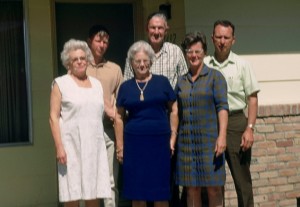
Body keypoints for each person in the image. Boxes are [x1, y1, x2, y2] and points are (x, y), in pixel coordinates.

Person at [114, 40, 178, 207]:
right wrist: (120, 146)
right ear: (131, 64)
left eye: (145, 61)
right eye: (137, 61)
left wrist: (173, 137)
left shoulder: (162, 82)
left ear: (151, 61)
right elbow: (118, 117)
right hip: (134, 145)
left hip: (159, 144)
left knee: (160, 192)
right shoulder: (126, 87)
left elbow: (174, 110)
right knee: (138, 193)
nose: (142, 65)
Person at [204, 20, 260, 207]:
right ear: (212, 38)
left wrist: (250, 128)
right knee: (212, 181)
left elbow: (252, 98)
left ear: (233, 40)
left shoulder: (243, 65)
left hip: (236, 123)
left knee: (242, 180)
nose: (222, 41)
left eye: (226, 37)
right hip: (212, 123)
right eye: (218, 37)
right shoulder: (204, 64)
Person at [49, 39, 111, 207]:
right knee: (72, 193)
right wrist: (59, 147)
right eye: (75, 59)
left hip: (94, 147)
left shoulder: (97, 85)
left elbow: (103, 111)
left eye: (83, 58)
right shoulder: (60, 84)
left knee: (93, 192)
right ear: (68, 63)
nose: (80, 61)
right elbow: (53, 118)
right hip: (71, 148)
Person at [176, 32, 229, 207]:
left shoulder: (215, 77)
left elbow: (222, 108)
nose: (194, 55)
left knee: (214, 188)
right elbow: (176, 112)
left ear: (204, 52)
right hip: (187, 143)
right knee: (192, 189)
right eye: (190, 51)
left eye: (198, 51)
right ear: (186, 54)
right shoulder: (181, 81)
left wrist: (222, 137)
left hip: (209, 142)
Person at [86, 24, 123, 207]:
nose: (102, 44)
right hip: (86, 132)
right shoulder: (79, 66)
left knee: (110, 181)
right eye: (98, 40)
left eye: (105, 41)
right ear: (89, 42)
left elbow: (121, 101)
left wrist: (114, 110)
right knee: (90, 182)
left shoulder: (114, 69)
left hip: (109, 132)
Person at [123, 11, 188, 89]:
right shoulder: (134, 52)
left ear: (166, 31)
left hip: (169, 101)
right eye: (153, 28)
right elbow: (127, 85)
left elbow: (185, 83)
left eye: (160, 28)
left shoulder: (176, 52)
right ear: (147, 29)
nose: (156, 32)